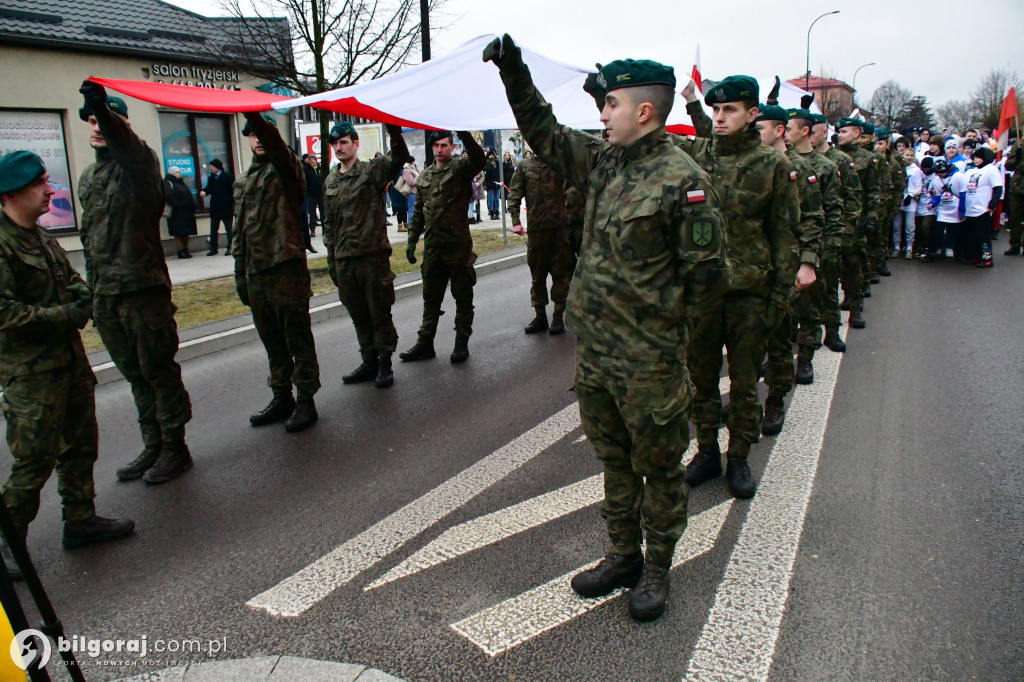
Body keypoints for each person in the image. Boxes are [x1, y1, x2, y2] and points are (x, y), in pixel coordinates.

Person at [486, 36, 729, 621]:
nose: (601, 114)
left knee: (659, 469)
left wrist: (669, 347)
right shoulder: (603, 161)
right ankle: (623, 554)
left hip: (648, 364)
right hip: (596, 357)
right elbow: (543, 131)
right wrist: (512, 69)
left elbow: (707, 285)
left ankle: (657, 568)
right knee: (614, 462)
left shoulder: (684, 182)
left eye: (609, 104)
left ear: (642, 111)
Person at [0, 151, 135, 578]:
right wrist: (67, 314)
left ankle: (80, 520)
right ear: (11, 193)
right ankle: (8, 538)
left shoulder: (39, 237)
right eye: (41, 183)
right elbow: (5, 314)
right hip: (32, 374)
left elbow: (75, 284)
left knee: (80, 445)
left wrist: (81, 299)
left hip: (69, 364)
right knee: (35, 459)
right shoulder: (2, 244)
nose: (50, 190)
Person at [677, 75, 800, 500]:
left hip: (750, 292)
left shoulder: (772, 165)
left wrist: (780, 299)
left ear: (752, 115)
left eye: (730, 110)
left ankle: (740, 456)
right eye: (716, 111)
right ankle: (707, 450)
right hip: (703, 293)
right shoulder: (698, 156)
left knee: (745, 383)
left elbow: (785, 235)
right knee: (701, 378)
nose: (721, 117)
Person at [77, 80, 193, 484]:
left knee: (158, 371)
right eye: (91, 120)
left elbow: (131, 150)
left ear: (123, 124)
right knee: (135, 377)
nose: (97, 126)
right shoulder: (89, 179)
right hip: (107, 297)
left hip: (143, 293)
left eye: (106, 119)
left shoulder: (140, 166)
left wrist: (106, 113)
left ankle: (175, 448)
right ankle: (153, 443)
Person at [234, 111, 320, 432]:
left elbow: (280, 152)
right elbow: (238, 233)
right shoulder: (243, 181)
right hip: (256, 274)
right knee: (272, 341)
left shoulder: (286, 170)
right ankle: (281, 395)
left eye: (261, 134)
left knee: (297, 338)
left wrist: (255, 115)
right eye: (252, 135)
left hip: (286, 271)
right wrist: (239, 275)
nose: (257, 140)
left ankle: (306, 399)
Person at [322, 121, 408, 389]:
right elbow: (329, 224)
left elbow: (401, 155)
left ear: (356, 144)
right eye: (335, 143)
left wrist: (392, 125)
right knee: (358, 313)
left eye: (344, 142)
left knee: (378, 311)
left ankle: (384, 361)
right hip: (344, 259)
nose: (339, 147)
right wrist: (331, 261)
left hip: (371, 257)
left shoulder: (372, 171)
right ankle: (368, 360)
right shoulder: (331, 179)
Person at [756, 100, 823, 436]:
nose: (755, 135)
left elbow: (813, 219)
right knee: (749, 342)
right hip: (753, 268)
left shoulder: (797, 168)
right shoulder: (755, 164)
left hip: (785, 267)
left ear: (778, 131)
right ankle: (744, 402)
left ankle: (775, 402)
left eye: (760, 129)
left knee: (780, 341)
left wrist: (808, 262)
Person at [400, 130, 485, 364]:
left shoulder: (459, 169)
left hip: (457, 247)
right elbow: (418, 211)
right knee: (431, 298)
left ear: (451, 146)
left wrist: (465, 134)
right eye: (436, 145)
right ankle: (425, 342)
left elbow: (479, 160)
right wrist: (411, 240)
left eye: (444, 145)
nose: (440, 149)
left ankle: (461, 343)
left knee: (463, 296)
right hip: (433, 248)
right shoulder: (425, 176)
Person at [507, 155, 572, 335]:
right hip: (537, 231)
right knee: (538, 275)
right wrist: (515, 221)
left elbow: (575, 191)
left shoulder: (560, 163)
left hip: (560, 230)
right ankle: (540, 316)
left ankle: (558, 316)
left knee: (561, 275)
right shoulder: (524, 167)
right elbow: (514, 195)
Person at [813, 112, 862, 349]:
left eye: (814, 130)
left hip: (830, 232)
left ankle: (832, 331)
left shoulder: (838, 160)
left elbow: (852, 196)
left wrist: (845, 229)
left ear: (824, 132)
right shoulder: (795, 160)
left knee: (829, 287)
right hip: (807, 234)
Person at [837, 117, 879, 330]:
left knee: (854, 264)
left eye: (845, 131)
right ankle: (844, 297)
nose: (840, 135)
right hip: (834, 218)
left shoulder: (868, 159)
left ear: (856, 133)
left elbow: (873, 188)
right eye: (839, 131)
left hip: (855, 218)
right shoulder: (832, 156)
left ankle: (856, 307)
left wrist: (871, 215)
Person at [963, 146, 1003, 268]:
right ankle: (975, 255)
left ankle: (987, 257)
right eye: (974, 157)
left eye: (979, 157)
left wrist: (992, 204)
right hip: (970, 208)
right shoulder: (970, 171)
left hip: (982, 209)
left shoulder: (991, 170)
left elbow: (998, 188)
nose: (976, 160)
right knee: (972, 234)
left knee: (983, 235)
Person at [931, 159, 966, 259]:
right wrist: (931, 204)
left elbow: (963, 195)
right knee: (938, 229)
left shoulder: (958, 176)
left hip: (955, 208)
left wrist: (962, 211)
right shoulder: (937, 179)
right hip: (943, 209)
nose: (938, 175)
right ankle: (936, 248)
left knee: (955, 231)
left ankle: (954, 250)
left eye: (940, 173)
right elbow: (937, 195)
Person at [199, 158, 234, 256]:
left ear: (217, 167)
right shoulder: (211, 178)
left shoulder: (228, 177)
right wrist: (204, 192)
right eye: (210, 167)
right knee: (213, 229)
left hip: (226, 207)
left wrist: (232, 202)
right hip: (215, 207)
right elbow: (209, 188)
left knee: (229, 229)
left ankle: (230, 247)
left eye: (212, 167)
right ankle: (213, 248)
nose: (210, 168)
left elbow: (233, 190)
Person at [164, 166, 198, 259]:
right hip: (176, 212)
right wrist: (178, 204)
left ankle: (186, 249)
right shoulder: (168, 183)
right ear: (172, 173)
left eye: (179, 172)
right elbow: (168, 197)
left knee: (186, 232)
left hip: (186, 212)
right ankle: (180, 251)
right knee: (178, 233)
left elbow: (188, 194)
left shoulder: (182, 183)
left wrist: (193, 206)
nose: (179, 174)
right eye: (177, 172)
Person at [914, 156, 941, 260]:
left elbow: (939, 191)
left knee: (926, 227)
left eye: (927, 169)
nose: (925, 171)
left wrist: (935, 192)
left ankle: (929, 248)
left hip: (930, 207)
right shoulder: (919, 174)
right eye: (923, 169)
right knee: (918, 229)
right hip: (919, 204)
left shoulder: (936, 176)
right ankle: (920, 247)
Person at [897, 148, 922, 258]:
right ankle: (896, 246)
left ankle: (909, 248)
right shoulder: (899, 167)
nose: (909, 157)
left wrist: (910, 195)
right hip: (899, 199)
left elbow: (918, 187)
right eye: (907, 155)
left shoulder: (916, 170)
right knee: (896, 226)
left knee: (910, 226)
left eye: (911, 155)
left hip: (910, 201)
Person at [1003, 141, 1024, 256]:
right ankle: (1015, 245)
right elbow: (1008, 166)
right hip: (1017, 186)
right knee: (1015, 218)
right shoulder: (1019, 144)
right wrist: (1017, 159)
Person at [302, 153, 322, 246]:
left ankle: (325, 230)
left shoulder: (320, 169)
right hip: (311, 194)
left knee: (324, 211)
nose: (312, 161)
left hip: (321, 193)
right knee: (312, 212)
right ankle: (312, 229)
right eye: (310, 159)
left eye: (314, 159)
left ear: (316, 160)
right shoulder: (306, 170)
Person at [484, 151, 501, 220]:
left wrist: (497, 158)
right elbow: (486, 173)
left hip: (497, 183)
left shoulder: (497, 163)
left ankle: (496, 211)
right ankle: (491, 212)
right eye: (490, 155)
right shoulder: (487, 164)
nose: (491, 156)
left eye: (492, 155)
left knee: (497, 199)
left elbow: (501, 168)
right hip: (490, 184)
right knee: (491, 199)